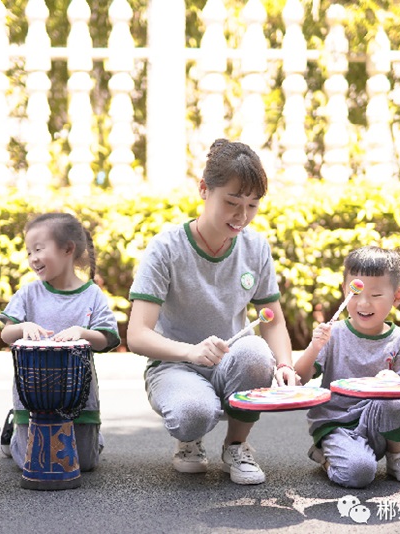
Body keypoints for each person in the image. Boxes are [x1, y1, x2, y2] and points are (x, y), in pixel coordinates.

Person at [127, 139, 296, 485]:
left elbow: (272, 319)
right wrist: (190, 351)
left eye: (252, 204)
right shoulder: (166, 249)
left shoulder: (255, 247)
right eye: (232, 202)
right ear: (204, 190)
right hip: (174, 364)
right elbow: (137, 334)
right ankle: (189, 440)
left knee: (255, 354)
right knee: (193, 413)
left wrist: (284, 365)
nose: (242, 216)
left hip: (230, 361)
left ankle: (237, 445)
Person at [295, 246, 400, 488]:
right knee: (359, 474)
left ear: (397, 297)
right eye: (355, 293)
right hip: (337, 423)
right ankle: (324, 455)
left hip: (377, 423)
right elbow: (299, 378)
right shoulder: (333, 335)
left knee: (396, 401)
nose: (364, 303)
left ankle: (396, 457)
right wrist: (314, 347)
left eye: (376, 295)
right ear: (345, 290)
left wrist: (394, 381)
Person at [0, 213, 120, 472]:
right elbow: (6, 335)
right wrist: (22, 326)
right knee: (31, 463)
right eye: (28, 252)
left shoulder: (91, 294)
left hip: (80, 396)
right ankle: (13, 431)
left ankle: (91, 435)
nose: (33, 258)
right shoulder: (30, 293)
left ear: (67, 249)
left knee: (85, 464)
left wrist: (82, 332)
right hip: (33, 396)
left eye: (39, 249)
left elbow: (105, 339)